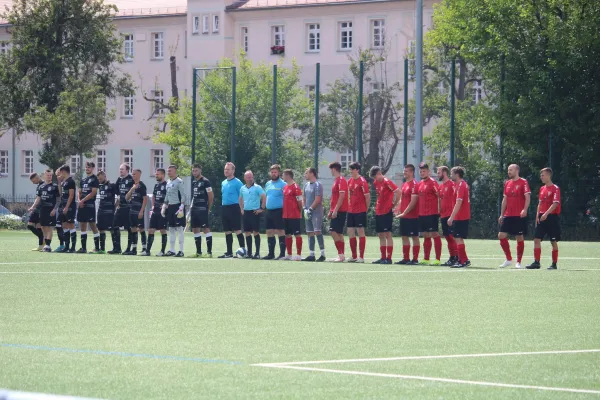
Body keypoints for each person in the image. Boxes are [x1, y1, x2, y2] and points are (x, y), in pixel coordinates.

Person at [526, 168, 561, 270]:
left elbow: (555, 204)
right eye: (541, 175)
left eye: (543, 175)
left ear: (549, 176)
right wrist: (538, 215)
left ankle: (554, 264)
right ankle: (536, 262)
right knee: (536, 239)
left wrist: (546, 214)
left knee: (553, 241)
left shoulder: (555, 188)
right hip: (542, 217)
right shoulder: (542, 188)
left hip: (552, 217)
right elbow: (540, 203)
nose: (541, 177)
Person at [498, 164, 531, 269]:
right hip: (508, 214)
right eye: (508, 170)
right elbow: (505, 200)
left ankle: (519, 262)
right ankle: (508, 259)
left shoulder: (523, 182)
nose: (509, 172)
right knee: (501, 235)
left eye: (510, 170)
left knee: (519, 237)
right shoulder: (507, 183)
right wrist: (502, 214)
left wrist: (525, 209)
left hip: (519, 215)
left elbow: (527, 197)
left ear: (517, 170)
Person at [370, 165, 399, 264]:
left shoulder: (387, 182)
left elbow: (398, 192)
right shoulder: (376, 182)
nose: (375, 179)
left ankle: (389, 258)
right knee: (380, 235)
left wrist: (393, 204)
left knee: (388, 234)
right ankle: (383, 257)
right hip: (379, 211)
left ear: (379, 173)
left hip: (387, 211)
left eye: (375, 176)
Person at [28, 169, 60, 252]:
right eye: (47, 175)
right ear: (44, 176)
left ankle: (48, 246)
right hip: (42, 210)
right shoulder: (41, 187)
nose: (49, 177)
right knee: (43, 227)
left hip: (51, 210)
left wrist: (54, 209)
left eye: (50, 175)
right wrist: (33, 207)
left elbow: (58, 200)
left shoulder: (55, 186)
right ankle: (45, 245)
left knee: (49, 228)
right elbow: (38, 198)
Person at [417, 163, 442, 265]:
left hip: (432, 213)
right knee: (426, 235)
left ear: (429, 172)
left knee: (434, 234)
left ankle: (437, 259)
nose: (422, 173)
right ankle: (426, 258)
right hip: (422, 214)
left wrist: (439, 209)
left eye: (424, 171)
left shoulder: (433, 182)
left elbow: (439, 196)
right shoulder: (420, 183)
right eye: (421, 171)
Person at [218, 162, 245, 258]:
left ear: (233, 170)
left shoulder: (238, 182)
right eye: (225, 169)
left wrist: (242, 208)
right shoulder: (223, 182)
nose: (226, 171)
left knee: (237, 229)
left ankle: (243, 250)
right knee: (227, 231)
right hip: (225, 208)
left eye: (228, 169)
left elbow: (242, 196)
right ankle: (229, 252)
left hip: (234, 207)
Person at [395, 164, 420, 265]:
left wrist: (404, 212)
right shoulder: (404, 184)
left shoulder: (414, 184)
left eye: (406, 171)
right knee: (404, 236)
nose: (404, 173)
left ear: (412, 172)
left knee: (414, 237)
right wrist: (398, 208)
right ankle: (406, 258)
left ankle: (415, 259)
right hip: (404, 216)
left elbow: (413, 202)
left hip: (413, 216)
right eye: (404, 171)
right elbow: (402, 198)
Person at [447, 166, 471, 268]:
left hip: (461, 216)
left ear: (457, 174)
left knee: (458, 238)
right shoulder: (459, 185)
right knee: (458, 238)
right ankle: (464, 260)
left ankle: (463, 261)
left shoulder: (461, 185)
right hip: (460, 216)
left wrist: (451, 217)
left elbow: (459, 202)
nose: (450, 175)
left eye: (452, 173)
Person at [239, 170, 266, 259]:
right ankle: (249, 253)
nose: (250, 179)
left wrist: (261, 208)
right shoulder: (242, 188)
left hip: (255, 212)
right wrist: (242, 209)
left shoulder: (257, 187)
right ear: (245, 178)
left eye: (251, 177)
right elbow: (240, 198)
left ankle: (257, 253)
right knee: (247, 232)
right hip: (246, 212)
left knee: (256, 232)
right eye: (248, 177)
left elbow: (264, 196)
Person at [346, 162, 370, 263]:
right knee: (350, 232)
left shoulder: (362, 181)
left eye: (352, 169)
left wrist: (365, 209)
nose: (350, 171)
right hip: (350, 211)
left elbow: (367, 197)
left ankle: (361, 257)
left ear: (357, 170)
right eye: (350, 169)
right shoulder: (350, 181)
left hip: (360, 211)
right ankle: (354, 256)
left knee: (360, 231)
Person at [189, 164, 214, 258]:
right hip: (194, 209)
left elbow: (211, 196)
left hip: (202, 208)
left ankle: (209, 252)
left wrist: (208, 208)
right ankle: (198, 252)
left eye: (196, 170)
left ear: (200, 171)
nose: (194, 172)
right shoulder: (194, 182)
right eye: (193, 171)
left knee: (205, 228)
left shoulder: (206, 181)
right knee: (195, 229)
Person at [108, 164, 134, 254]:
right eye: (120, 169)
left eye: (122, 169)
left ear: (127, 170)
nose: (120, 171)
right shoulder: (119, 180)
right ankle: (116, 248)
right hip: (120, 207)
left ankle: (128, 248)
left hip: (128, 208)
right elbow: (118, 193)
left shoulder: (131, 179)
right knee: (114, 226)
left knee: (129, 228)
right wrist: (116, 205)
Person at [302, 167, 326, 262]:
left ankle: (322, 254)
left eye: (306, 173)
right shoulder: (306, 185)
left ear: (312, 173)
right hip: (307, 212)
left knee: (317, 231)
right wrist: (304, 209)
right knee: (309, 232)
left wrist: (310, 209)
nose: (305, 174)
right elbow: (303, 198)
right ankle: (311, 254)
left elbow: (318, 199)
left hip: (316, 212)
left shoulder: (318, 185)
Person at [263, 164, 287, 260]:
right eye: (272, 172)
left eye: (275, 172)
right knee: (269, 231)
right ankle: (271, 254)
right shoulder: (268, 184)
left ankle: (282, 254)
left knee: (280, 231)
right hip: (269, 210)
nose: (273, 174)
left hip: (279, 210)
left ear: (279, 173)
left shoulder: (283, 184)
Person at [162, 165, 186, 257]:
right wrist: (164, 205)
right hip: (170, 207)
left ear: (175, 171)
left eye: (170, 171)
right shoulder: (168, 182)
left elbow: (183, 195)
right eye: (168, 171)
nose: (169, 172)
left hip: (177, 206)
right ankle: (172, 250)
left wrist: (182, 206)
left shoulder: (179, 181)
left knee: (179, 228)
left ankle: (181, 250)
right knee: (171, 228)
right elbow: (167, 195)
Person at [437, 166, 459, 266]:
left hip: (450, 215)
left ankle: (458, 257)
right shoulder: (440, 186)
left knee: (452, 236)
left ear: (444, 173)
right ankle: (452, 257)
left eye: (439, 172)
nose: (438, 174)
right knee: (447, 237)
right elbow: (440, 200)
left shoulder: (452, 184)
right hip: (443, 215)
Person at [77, 162, 100, 253]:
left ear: (93, 168)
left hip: (90, 205)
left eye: (89, 167)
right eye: (86, 167)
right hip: (82, 205)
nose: (87, 169)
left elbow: (93, 192)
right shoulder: (83, 180)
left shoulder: (95, 179)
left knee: (92, 225)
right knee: (82, 226)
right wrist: (79, 200)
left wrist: (83, 200)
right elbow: (79, 192)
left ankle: (97, 248)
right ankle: (83, 248)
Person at [328, 161, 348, 262]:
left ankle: (340, 254)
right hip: (335, 210)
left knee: (333, 231)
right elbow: (334, 197)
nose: (330, 171)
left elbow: (341, 196)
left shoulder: (341, 180)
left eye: (331, 169)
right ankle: (341, 255)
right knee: (339, 233)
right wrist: (331, 210)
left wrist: (335, 210)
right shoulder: (336, 180)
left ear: (334, 169)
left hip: (340, 210)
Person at [124, 169, 148, 255]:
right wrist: (132, 189)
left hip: (138, 211)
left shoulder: (142, 186)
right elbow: (126, 198)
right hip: (132, 210)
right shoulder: (132, 185)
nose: (133, 175)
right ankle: (134, 249)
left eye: (134, 174)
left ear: (139, 175)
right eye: (132, 174)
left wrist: (141, 211)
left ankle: (144, 248)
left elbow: (145, 199)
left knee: (141, 229)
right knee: (133, 229)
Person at [282, 169, 304, 261]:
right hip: (286, 215)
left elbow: (300, 201)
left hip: (294, 215)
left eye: (283, 175)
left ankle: (298, 255)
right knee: (287, 234)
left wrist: (299, 212)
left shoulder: (296, 187)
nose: (282, 176)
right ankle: (289, 254)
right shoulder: (285, 187)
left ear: (288, 175)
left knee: (297, 234)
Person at [147, 168, 169, 256]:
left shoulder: (167, 185)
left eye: (158, 174)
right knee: (151, 230)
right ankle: (147, 251)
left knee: (162, 230)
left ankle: (162, 251)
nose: (156, 176)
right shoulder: (156, 185)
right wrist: (153, 206)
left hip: (163, 211)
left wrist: (165, 205)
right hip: (155, 210)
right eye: (156, 174)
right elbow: (153, 196)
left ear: (163, 175)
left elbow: (170, 197)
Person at [56, 165, 77, 253]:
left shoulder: (71, 181)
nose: (60, 174)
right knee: (64, 225)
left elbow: (71, 195)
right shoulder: (64, 182)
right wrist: (59, 183)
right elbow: (61, 194)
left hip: (70, 207)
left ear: (64, 171)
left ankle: (73, 247)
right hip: (63, 205)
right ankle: (67, 246)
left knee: (71, 225)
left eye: (61, 172)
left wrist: (67, 207)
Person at [96, 171, 116, 254]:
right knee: (101, 229)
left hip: (109, 211)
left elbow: (118, 196)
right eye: (98, 179)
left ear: (105, 176)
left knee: (112, 229)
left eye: (100, 178)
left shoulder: (112, 185)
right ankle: (102, 248)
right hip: (101, 210)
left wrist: (115, 206)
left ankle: (115, 248)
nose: (99, 180)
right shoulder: (100, 186)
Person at [27, 172, 44, 251]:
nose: (33, 183)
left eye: (33, 181)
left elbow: (38, 198)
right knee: (38, 227)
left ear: (37, 178)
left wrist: (32, 207)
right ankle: (41, 245)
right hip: (39, 209)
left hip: (39, 209)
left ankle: (42, 239)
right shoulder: (39, 185)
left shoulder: (42, 185)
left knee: (30, 225)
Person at [54, 168, 65, 252]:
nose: (58, 176)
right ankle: (62, 245)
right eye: (57, 175)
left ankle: (67, 245)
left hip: (67, 207)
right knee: (58, 225)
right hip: (60, 207)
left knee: (66, 227)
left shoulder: (68, 182)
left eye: (59, 174)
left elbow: (62, 194)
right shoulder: (60, 183)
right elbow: (59, 194)